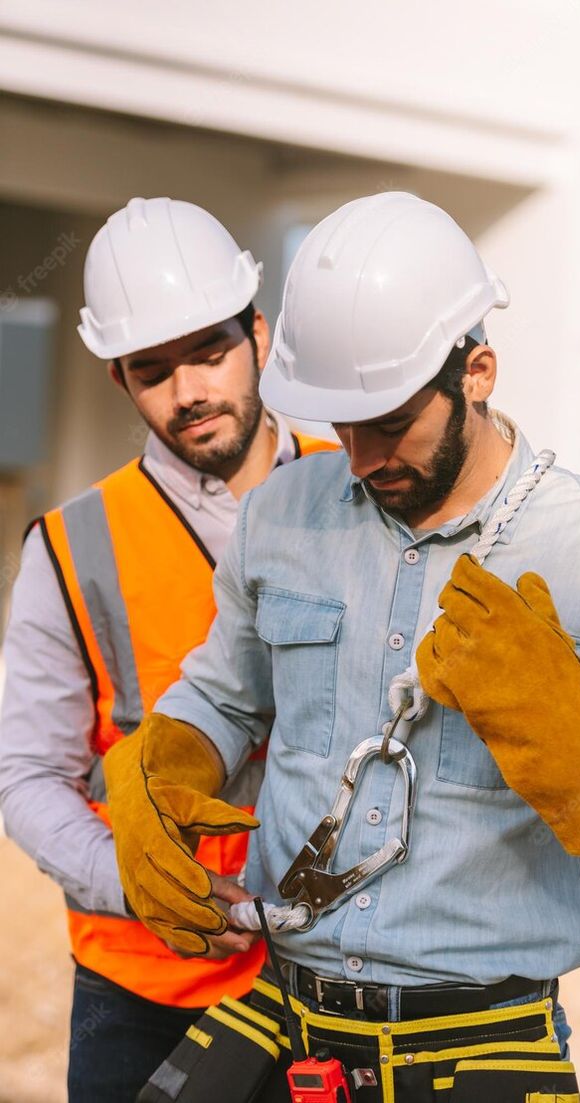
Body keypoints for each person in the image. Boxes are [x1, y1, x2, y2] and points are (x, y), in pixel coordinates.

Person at [103, 192, 580, 1102]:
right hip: (286, 1014)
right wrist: (161, 766)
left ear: (476, 371)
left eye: (389, 423)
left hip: (485, 1041)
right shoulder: (282, 513)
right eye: (341, 423)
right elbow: (223, 697)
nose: (358, 457)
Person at [0, 196, 335, 1103]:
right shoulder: (72, 548)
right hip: (144, 991)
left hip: (335, 977)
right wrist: (130, 881)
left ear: (258, 334)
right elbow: (27, 773)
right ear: (120, 380)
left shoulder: (357, 493)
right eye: (153, 369)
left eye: (210, 351)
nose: (188, 390)